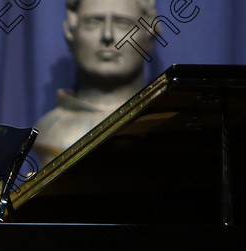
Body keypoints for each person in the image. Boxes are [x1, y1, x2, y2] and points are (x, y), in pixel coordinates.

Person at [34, 0, 157, 166]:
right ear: (70, 31)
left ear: (148, 34)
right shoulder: (49, 131)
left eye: (122, 23)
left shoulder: (166, 125)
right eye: (93, 23)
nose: (107, 35)